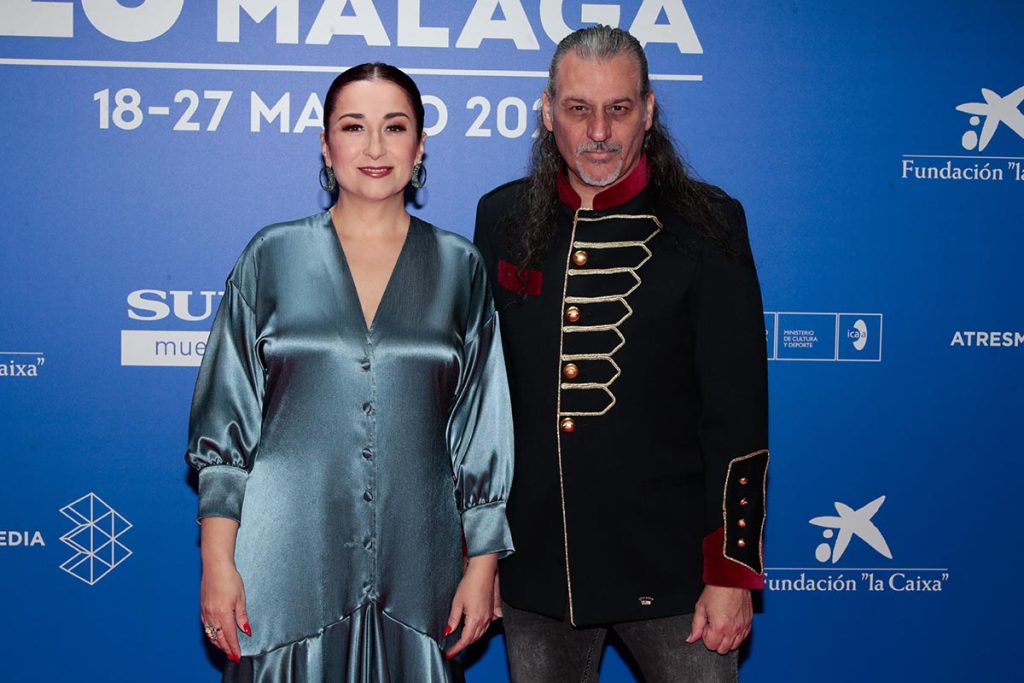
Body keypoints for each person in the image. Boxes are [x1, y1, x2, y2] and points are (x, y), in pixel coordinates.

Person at [185, 63, 514, 683]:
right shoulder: (269, 256)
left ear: (420, 146)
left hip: (419, 575)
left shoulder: (459, 268)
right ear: (325, 143)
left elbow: (480, 428)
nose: (373, 147)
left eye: (394, 127)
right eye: (353, 126)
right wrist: (217, 563)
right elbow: (225, 428)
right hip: (282, 573)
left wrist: (483, 564)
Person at [473, 26, 769, 682]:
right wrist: (482, 554)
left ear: (650, 110)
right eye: (579, 109)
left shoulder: (709, 225)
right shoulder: (500, 218)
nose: (598, 131)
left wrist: (732, 571)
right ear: (549, 111)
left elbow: (737, 408)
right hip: (539, 568)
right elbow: (486, 406)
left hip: (674, 574)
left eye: (619, 108)